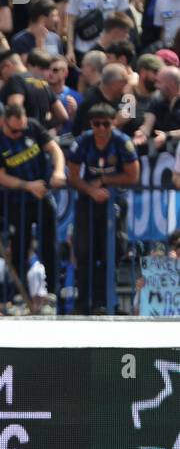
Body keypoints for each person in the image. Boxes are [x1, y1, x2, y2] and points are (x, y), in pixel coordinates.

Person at [0, 103, 66, 305]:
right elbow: (1, 177)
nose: (18, 133)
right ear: (4, 123)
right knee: (20, 247)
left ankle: (52, 291)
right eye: (14, 130)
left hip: (42, 196)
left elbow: (54, 148)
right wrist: (28, 186)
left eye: (21, 129)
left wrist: (58, 171)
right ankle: (20, 293)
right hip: (16, 201)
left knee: (49, 245)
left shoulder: (33, 127)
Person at [66, 103, 140, 314]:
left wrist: (105, 179)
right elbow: (73, 175)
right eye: (97, 124)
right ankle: (83, 304)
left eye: (106, 124)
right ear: (91, 124)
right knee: (85, 252)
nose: (101, 129)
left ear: (112, 124)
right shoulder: (83, 142)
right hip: (88, 202)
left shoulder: (122, 143)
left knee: (112, 252)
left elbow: (133, 175)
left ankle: (107, 302)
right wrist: (91, 190)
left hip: (114, 202)